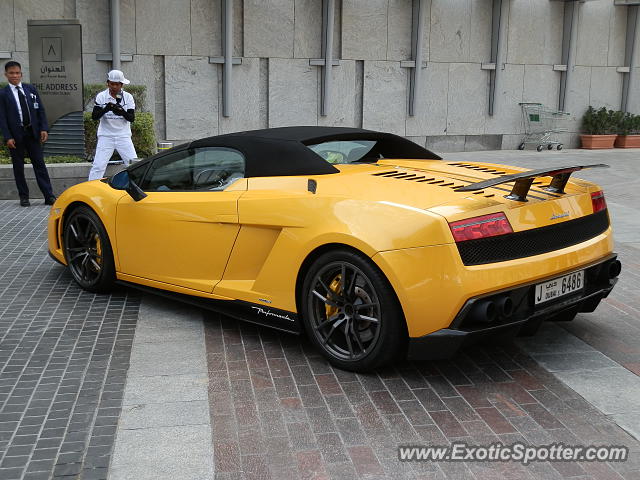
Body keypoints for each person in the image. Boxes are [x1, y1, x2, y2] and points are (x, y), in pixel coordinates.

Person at [0, 61, 55, 207]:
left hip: (32, 133)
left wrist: (43, 128)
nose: (15, 75)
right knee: (18, 167)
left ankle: (49, 195)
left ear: (21, 74)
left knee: (40, 165)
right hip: (15, 136)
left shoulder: (30, 89)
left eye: (17, 73)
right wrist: (8, 137)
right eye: (11, 73)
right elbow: (2, 118)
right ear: (6, 75)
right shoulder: (3, 94)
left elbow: (40, 110)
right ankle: (24, 197)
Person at [88, 69, 136, 181]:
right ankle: (91, 189)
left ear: (122, 84)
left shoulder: (128, 97)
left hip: (123, 136)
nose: (114, 87)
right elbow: (94, 116)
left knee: (133, 163)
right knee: (98, 166)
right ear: (108, 83)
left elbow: (131, 118)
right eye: (112, 84)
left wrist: (121, 112)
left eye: (117, 84)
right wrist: (106, 109)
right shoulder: (101, 96)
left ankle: (138, 187)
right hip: (106, 136)